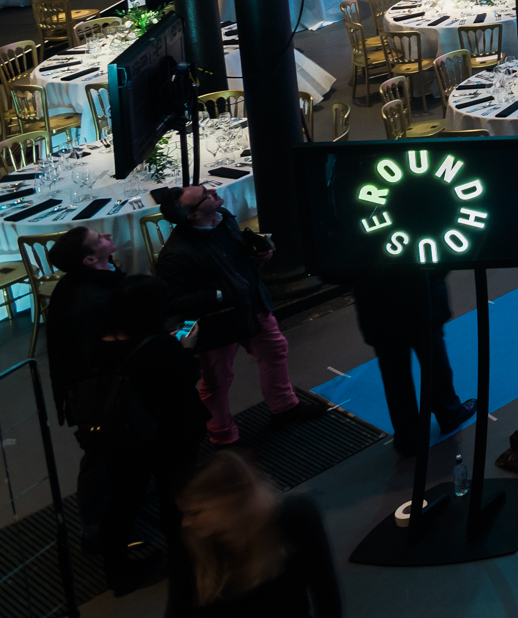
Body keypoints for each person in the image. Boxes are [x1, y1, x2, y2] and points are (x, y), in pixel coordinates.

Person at [151, 186, 326, 446]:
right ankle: (222, 435)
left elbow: (236, 257)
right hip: (215, 323)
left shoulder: (224, 217)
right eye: (204, 196)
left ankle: (285, 407)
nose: (212, 192)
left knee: (275, 351)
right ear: (192, 215)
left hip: (251, 305)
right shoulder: (175, 255)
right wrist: (221, 295)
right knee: (217, 379)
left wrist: (257, 257)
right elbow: (172, 302)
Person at [84, 275, 209, 594]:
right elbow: (184, 379)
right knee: (175, 499)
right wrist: (185, 348)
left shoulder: (101, 340)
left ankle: (118, 572)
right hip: (169, 435)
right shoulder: (161, 346)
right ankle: (184, 562)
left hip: (123, 438)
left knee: (123, 502)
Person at [167, 450, 342, 618]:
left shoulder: (294, 517)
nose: (185, 523)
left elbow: (326, 595)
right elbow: (178, 611)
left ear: (230, 502)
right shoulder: (191, 545)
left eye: (196, 512)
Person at [48, 228, 125, 547]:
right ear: (91, 258)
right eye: (99, 238)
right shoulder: (88, 301)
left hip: (99, 387)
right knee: (100, 457)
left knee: (111, 453)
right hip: (96, 393)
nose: (108, 235)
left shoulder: (93, 281)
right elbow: (96, 355)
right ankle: (94, 529)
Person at [352, 264, 474, 458]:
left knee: (394, 370)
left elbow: (333, 269)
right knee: (433, 356)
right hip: (419, 293)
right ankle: (449, 413)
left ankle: (409, 436)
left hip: (375, 302)